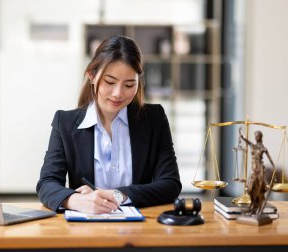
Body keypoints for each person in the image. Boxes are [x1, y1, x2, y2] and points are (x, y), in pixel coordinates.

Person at [36, 35, 182, 214]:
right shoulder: (65, 123)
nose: (117, 94)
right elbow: (47, 183)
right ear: (91, 76)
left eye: (129, 85)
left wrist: (117, 195)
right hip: (85, 229)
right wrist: (75, 200)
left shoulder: (154, 118)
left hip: (140, 230)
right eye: (109, 82)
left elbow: (170, 184)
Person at [239, 129, 275, 215]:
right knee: (250, 189)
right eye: (255, 135)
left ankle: (257, 208)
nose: (256, 137)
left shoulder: (263, 148)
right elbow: (246, 141)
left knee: (259, 190)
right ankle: (252, 205)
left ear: (260, 137)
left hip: (260, 170)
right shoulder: (253, 145)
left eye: (257, 135)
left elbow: (270, 159)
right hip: (253, 170)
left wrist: (274, 168)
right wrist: (242, 136)